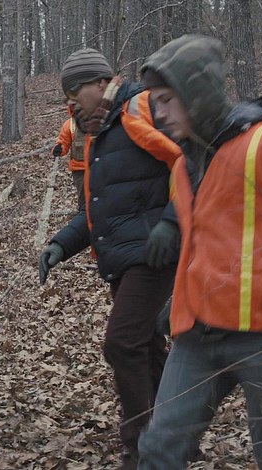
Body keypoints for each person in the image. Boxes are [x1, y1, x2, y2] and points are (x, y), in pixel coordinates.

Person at [135, 34, 262, 470]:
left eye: (167, 100)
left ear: (196, 94)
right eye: (156, 102)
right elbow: (210, 231)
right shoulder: (185, 163)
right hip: (198, 338)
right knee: (157, 451)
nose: (159, 112)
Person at [37, 48, 183, 469]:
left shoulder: (141, 109)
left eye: (75, 91)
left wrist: (171, 223)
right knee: (146, 346)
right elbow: (100, 207)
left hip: (153, 253)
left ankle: (142, 449)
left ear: (101, 83)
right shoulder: (101, 131)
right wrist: (61, 245)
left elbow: (193, 166)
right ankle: (174, 431)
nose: (70, 102)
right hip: (124, 254)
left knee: (121, 343)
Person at [52, 105, 87, 208]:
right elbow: (63, 142)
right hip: (80, 169)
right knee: (83, 200)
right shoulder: (70, 124)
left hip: (99, 166)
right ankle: (84, 214)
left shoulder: (99, 121)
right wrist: (58, 149)